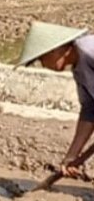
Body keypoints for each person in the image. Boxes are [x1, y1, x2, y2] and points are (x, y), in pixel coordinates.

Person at [16, 20, 94, 179]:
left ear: (55, 50)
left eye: (42, 59)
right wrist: (72, 155)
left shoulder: (90, 51)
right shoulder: (79, 69)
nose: (43, 65)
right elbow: (89, 111)